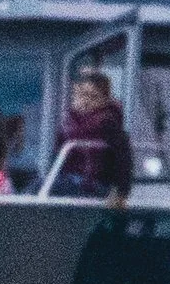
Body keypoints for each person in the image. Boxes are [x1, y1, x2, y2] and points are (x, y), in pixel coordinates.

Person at [53, 71, 132, 205]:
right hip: (70, 178)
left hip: (94, 183)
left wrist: (121, 193)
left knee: (50, 187)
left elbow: (123, 157)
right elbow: (57, 152)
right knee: (41, 184)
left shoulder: (107, 121)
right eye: (80, 95)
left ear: (105, 99)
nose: (85, 101)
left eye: (93, 97)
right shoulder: (69, 122)